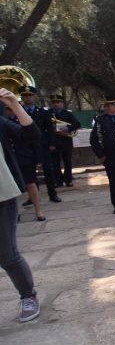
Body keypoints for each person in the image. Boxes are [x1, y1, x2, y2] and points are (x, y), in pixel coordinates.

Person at [0, 88, 42, 321]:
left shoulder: (1, 122)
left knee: (6, 254)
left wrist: (14, 105)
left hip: (2, 196)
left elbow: (31, 136)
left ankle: (28, 295)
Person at [18, 86, 60, 202]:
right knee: (30, 174)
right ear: (22, 97)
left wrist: (52, 143)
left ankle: (53, 194)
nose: (28, 98)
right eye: (25, 95)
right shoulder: (18, 111)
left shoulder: (43, 112)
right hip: (26, 147)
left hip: (42, 146)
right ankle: (32, 197)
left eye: (30, 95)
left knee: (48, 171)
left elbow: (50, 129)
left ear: (34, 97)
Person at [3, 106, 45, 221]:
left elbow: (34, 139)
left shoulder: (22, 119)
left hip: (24, 158)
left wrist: (38, 159)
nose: (9, 111)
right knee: (11, 187)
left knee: (30, 183)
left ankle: (38, 210)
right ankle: (16, 212)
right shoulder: (3, 120)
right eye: (7, 109)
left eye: (10, 108)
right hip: (8, 160)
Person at [49, 94, 81, 188]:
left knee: (67, 161)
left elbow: (77, 124)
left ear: (62, 103)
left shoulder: (67, 113)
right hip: (53, 141)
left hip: (66, 141)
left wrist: (67, 129)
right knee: (55, 162)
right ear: (51, 104)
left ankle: (68, 180)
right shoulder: (48, 113)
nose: (56, 104)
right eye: (54, 102)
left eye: (58, 102)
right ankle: (58, 181)